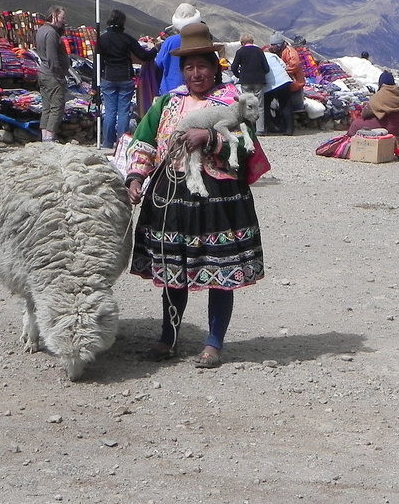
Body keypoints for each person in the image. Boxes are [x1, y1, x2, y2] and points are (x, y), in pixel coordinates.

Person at [125, 22, 269, 369]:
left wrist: (212, 139)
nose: (195, 73)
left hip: (219, 199)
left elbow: (248, 150)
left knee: (220, 271)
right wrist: (135, 176)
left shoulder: (233, 104)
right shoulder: (167, 103)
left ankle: (214, 344)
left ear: (213, 67)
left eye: (201, 66)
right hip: (172, 197)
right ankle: (167, 338)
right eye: (188, 67)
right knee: (174, 271)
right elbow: (143, 141)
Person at [97, 8, 156, 150]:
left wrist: (95, 83)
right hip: (125, 78)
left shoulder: (102, 39)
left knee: (110, 111)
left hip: (108, 77)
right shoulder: (127, 39)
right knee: (123, 112)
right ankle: (121, 144)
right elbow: (144, 56)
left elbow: (98, 62)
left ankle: (107, 144)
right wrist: (154, 48)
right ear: (122, 22)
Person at [347, 72, 399, 151]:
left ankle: (350, 144)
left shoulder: (381, 94)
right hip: (397, 128)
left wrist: (366, 106)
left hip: (385, 127)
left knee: (356, 123)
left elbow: (365, 114)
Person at [35, 6, 68, 143]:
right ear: (54, 16)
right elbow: (52, 58)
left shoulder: (41, 30)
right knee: (56, 107)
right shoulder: (51, 34)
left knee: (47, 107)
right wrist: (60, 77)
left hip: (44, 73)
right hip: (52, 75)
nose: (63, 21)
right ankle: (49, 137)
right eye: (62, 18)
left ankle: (45, 137)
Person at [155, 3, 202, 94]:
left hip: (170, 91)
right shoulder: (201, 40)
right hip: (195, 90)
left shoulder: (169, 42)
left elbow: (158, 64)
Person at [230, 33, 270, 133]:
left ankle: (249, 129)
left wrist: (239, 75)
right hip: (258, 80)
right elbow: (266, 68)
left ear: (242, 43)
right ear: (252, 42)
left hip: (245, 81)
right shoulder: (259, 51)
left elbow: (234, 67)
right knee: (259, 105)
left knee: (246, 105)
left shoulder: (240, 52)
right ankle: (260, 129)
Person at [267, 33, 304, 135]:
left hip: (293, 81)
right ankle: (284, 127)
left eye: (274, 45)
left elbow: (295, 64)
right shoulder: (280, 51)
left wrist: (282, 71)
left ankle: (288, 129)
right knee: (283, 105)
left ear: (279, 45)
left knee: (286, 105)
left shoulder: (290, 52)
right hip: (286, 81)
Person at [262, 45, 294, 135]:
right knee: (286, 106)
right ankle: (289, 130)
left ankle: (266, 128)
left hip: (270, 85)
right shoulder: (273, 56)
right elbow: (284, 66)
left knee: (265, 106)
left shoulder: (259, 57)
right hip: (284, 81)